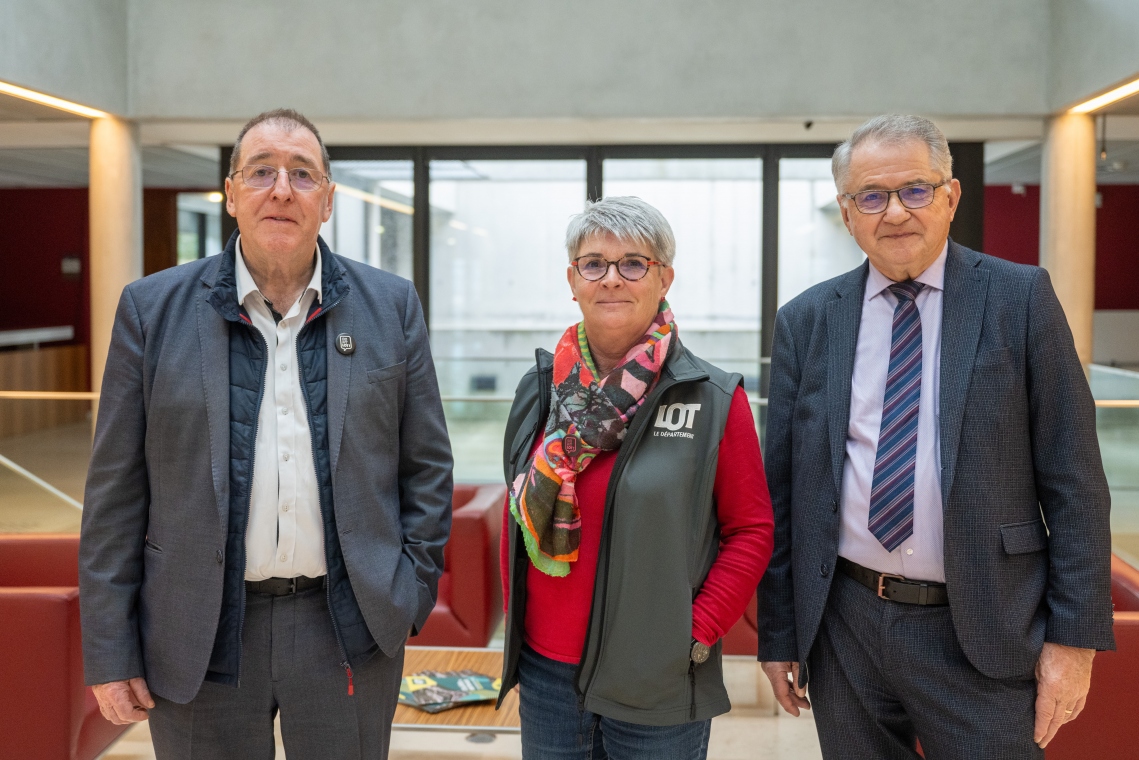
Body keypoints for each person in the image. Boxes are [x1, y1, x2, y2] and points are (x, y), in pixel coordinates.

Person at [79, 108, 453, 759]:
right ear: (231, 194)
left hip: (346, 627)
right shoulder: (151, 309)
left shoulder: (391, 306)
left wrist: (407, 594)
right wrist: (111, 648)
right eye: (261, 172)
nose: (281, 189)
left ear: (327, 201)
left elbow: (426, 469)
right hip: (196, 630)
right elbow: (115, 493)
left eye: (302, 174)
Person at [756, 114, 1115, 758]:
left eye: (915, 190)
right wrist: (780, 634)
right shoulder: (806, 321)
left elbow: (1076, 482)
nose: (895, 212)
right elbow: (781, 493)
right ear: (847, 212)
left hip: (985, 624)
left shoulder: (1019, 299)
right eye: (872, 196)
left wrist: (1073, 641)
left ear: (950, 197)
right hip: (845, 623)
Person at [497, 196, 775, 759]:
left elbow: (751, 531)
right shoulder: (540, 388)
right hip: (547, 675)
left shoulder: (713, 398)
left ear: (664, 278)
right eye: (594, 264)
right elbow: (516, 511)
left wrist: (694, 633)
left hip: (658, 677)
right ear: (573, 281)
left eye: (633, 263)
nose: (611, 279)